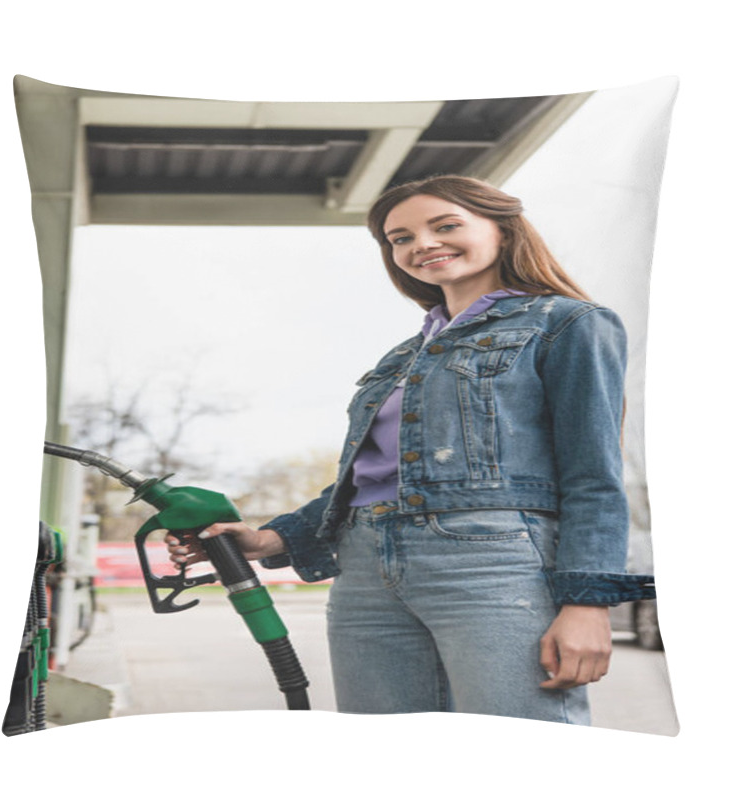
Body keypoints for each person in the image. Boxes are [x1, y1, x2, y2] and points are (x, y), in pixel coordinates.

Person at [167, 175, 655, 724]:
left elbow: (592, 475)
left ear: (502, 229)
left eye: (445, 226)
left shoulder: (567, 324)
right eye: (400, 238)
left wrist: (587, 602)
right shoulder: (404, 356)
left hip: (492, 566)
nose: (421, 245)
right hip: (365, 574)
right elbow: (371, 480)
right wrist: (266, 538)